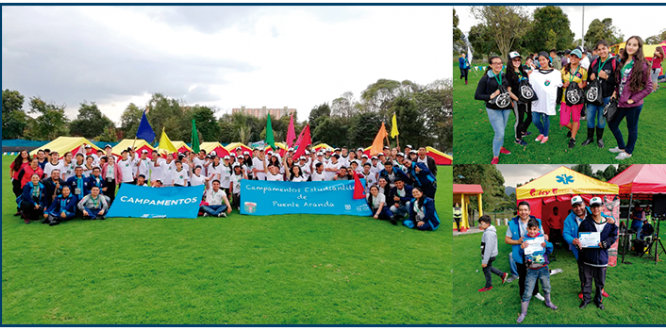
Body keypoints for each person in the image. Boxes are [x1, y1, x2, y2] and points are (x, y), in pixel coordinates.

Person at [609, 36, 654, 160]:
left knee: (632, 128)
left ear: (639, 48)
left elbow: (649, 87)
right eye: (629, 44)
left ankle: (628, 152)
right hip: (621, 102)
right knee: (613, 124)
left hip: (633, 105)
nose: (631, 47)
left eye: (635, 45)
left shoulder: (643, 64)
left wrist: (633, 99)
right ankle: (621, 147)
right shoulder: (623, 61)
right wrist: (615, 92)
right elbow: (620, 82)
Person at [562, 196, 614, 300]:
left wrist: (611, 219)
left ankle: (601, 289)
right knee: (583, 271)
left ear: (584, 204)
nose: (578, 208)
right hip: (580, 251)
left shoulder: (593, 211)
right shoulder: (568, 219)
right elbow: (565, 233)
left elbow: (603, 217)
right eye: (575, 206)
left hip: (597, 250)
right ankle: (584, 289)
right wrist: (573, 240)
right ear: (572, 207)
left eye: (580, 205)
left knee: (600, 271)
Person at [576, 197, 618, 310]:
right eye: (593, 206)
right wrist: (579, 246)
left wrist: (606, 243)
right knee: (587, 281)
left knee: (600, 282)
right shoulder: (585, 223)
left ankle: (598, 300)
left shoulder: (609, 223)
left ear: (602, 207)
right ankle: (586, 299)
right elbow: (580, 238)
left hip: (602, 259)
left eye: (598, 206)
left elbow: (613, 236)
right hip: (588, 259)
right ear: (590, 208)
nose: (596, 209)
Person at [516, 218, 557, 323]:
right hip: (531, 270)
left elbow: (550, 250)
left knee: (547, 287)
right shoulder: (524, 239)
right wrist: (521, 248)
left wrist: (546, 244)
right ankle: (523, 312)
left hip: (543, 268)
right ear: (527, 229)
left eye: (535, 229)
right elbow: (521, 255)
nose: (533, 232)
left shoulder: (542, 237)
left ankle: (548, 302)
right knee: (528, 291)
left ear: (538, 229)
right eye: (530, 229)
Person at [474, 55, 512, 164]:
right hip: (493, 108)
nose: (499, 65)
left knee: (502, 130)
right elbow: (477, 95)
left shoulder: (503, 75)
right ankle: (496, 156)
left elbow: (508, 87)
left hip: (506, 107)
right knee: (499, 133)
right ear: (490, 65)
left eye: (500, 63)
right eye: (495, 63)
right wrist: (491, 96)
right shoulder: (485, 79)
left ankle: (500, 147)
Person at [506, 202, 547, 302]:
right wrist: (517, 241)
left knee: (535, 274)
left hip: (535, 254)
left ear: (529, 211)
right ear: (518, 211)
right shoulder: (513, 223)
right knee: (523, 277)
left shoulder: (537, 222)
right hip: (520, 255)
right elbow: (507, 240)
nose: (523, 212)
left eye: (525, 210)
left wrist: (545, 237)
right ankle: (523, 296)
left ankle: (535, 292)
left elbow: (542, 235)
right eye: (521, 210)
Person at [583, 40, 618, 148]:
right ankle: (589, 138)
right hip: (593, 96)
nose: (602, 51)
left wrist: (607, 77)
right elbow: (589, 76)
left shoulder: (614, 62)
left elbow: (618, 81)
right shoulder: (594, 62)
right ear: (596, 51)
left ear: (608, 49)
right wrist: (591, 77)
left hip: (606, 97)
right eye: (599, 49)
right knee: (589, 117)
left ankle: (599, 139)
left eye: (604, 48)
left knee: (601, 119)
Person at [529, 52, 563, 145]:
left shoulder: (556, 73)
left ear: (548, 60)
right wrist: (529, 75)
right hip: (536, 100)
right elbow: (529, 84)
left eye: (543, 59)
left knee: (545, 118)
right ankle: (541, 132)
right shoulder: (534, 73)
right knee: (535, 120)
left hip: (547, 100)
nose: (542, 62)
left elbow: (560, 85)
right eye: (540, 60)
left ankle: (546, 135)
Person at [561, 48, 588, 148]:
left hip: (578, 99)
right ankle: (573, 129)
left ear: (580, 59)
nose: (573, 58)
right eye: (572, 56)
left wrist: (583, 85)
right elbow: (559, 82)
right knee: (564, 121)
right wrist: (564, 85)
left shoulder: (583, 71)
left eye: (576, 57)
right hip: (565, 99)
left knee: (575, 119)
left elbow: (585, 83)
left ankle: (573, 138)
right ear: (569, 56)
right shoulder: (564, 69)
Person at [506, 51, 532, 146]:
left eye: (518, 60)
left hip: (526, 99)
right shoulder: (509, 74)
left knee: (530, 115)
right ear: (510, 61)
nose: (517, 61)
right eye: (514, 60)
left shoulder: (522, 72)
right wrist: (517, 100)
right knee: (519, 119)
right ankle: (518, 138)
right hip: (517, 101)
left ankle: (522, 131)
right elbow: (508, 91)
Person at [478, 215, 509, 292]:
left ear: (487, 224)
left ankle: (488, 286)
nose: (480, 225)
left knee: (486, 269)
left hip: (489, 255)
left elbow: (488, 247)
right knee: (488, 267)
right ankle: (502, 274)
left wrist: (485, 260)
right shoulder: (487, 231)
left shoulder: (489, 234)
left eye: (481, 224)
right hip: (488, 255)